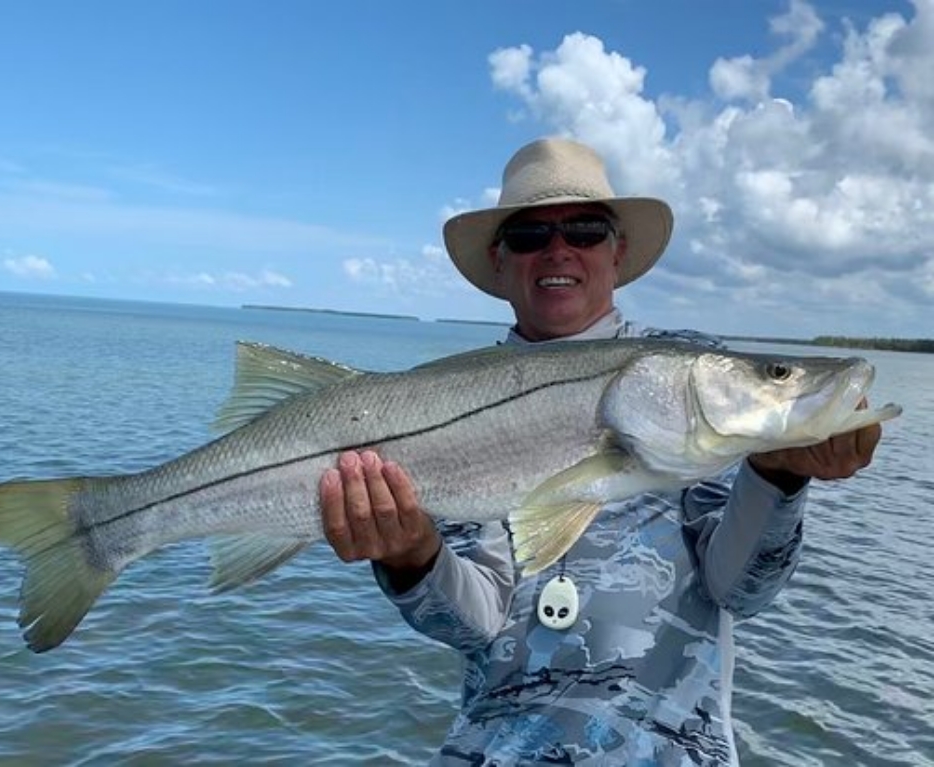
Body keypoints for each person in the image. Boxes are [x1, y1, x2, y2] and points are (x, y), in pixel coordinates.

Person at [317, 137, 883, 765]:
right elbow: (472, 623)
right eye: (530, 235)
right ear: (499, 263)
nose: (558, 249)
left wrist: (777, 477)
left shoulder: (685, 374)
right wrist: (409, 555)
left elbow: (738, 590)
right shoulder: (443, 404)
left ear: (619, 252)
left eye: (585, 229)